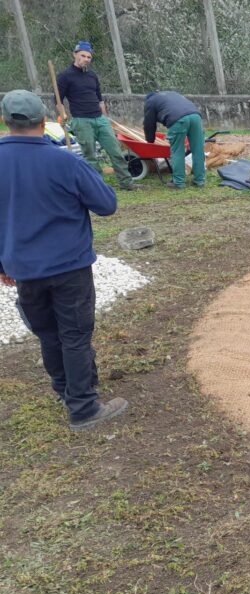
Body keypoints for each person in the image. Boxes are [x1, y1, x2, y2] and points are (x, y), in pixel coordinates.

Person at [0, 90, 129, 431]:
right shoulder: (65, 161)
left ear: (5, 121)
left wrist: (3, 264)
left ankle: (66, 389)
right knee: (74, 335)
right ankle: (84, 407)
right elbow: (107, 204)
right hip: (68, 266)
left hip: (24, 269)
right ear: (43, 122)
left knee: (48, 334)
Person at [55, 40, 139, 191]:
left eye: (89, 57)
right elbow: (58, 99)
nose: (86, 59)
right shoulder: (65, 76)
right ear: (75, 55)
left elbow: (100, 99)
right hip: (81, 121)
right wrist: (63, 114)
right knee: (90, 156)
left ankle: (127, 183)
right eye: (83, 56)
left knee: (115, 151)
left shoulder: (92, 76)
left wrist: (105, 118)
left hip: (100, 119)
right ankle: (97, 186)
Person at [143, 91, 206, 189]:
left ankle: (179, 182)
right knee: (198, 149)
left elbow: (149, 123)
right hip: (196, 117)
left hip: (178, 120)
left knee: (177, 151)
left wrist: (150, 140)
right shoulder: (171, 94)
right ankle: (200, 180)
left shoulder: (150, 101)